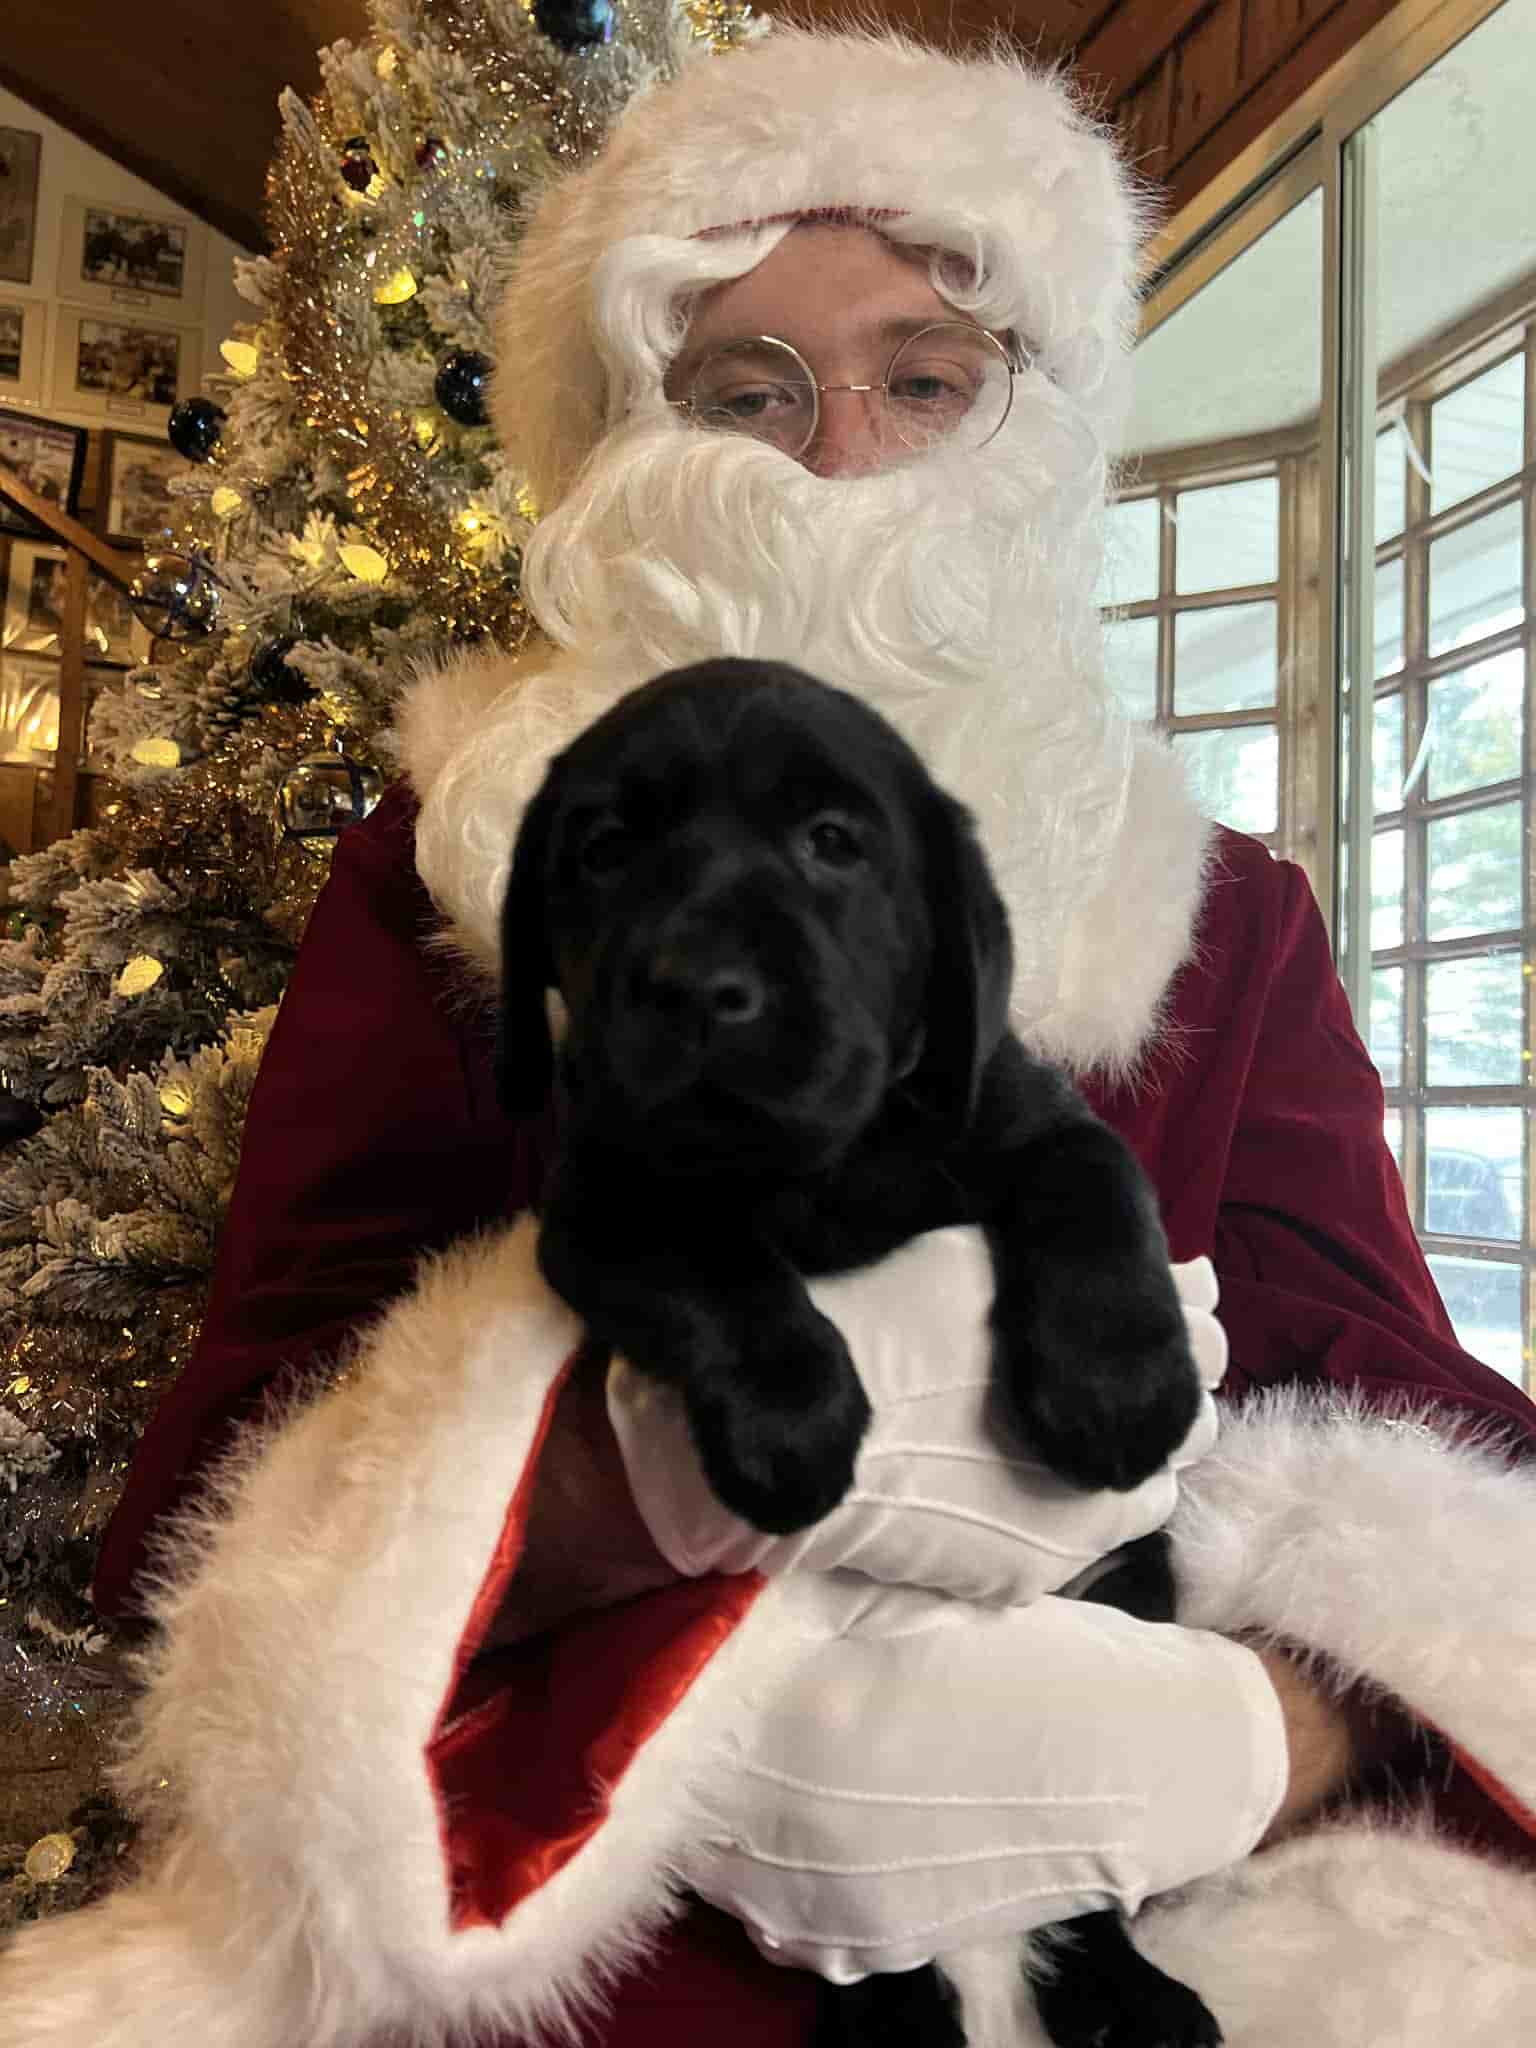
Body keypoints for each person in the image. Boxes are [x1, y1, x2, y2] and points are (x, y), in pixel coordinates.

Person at [9, 24, 1536, 2048]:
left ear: (1033, 414)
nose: (841, 459)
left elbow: (1403, 1421)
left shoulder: (1227, 916)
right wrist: (639, 1493)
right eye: (751, 391)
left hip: (1113, 1907)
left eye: (926, 378)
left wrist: (1260, 1736)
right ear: (638, 443)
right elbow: (237, 1454)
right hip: (584, 1895)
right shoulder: (455, 859)